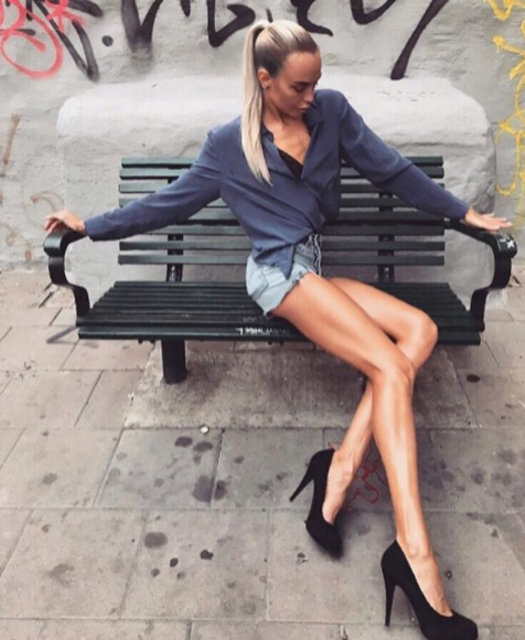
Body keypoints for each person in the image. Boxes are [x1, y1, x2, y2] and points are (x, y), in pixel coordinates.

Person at [45, 18, 510, 640]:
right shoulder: (228, 146)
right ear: (264, 80)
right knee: (390, 365)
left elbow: (392, 171)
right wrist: (89, 226)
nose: (311, 96)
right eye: (298, 87)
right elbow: (164, 204)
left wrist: (463, 213)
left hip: (312, 269)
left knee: (419, 331)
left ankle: (338, 470)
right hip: (276, 276)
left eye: (316, 83)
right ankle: (414, 554)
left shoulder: (332, 113)